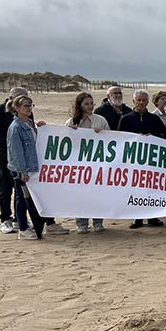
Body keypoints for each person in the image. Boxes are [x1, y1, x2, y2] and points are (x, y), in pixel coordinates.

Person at [6, 95, 70, 239]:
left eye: (31, 106)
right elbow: (16, 151)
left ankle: (48, 223)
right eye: (26, 106)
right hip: (23, 170)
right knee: (22, 199)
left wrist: (41, 128)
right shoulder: (15, 127)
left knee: (40, 196)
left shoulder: (29, 123)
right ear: (17, 108)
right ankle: (23, 228)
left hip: (35, 167)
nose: (29, 109)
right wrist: (22, 171)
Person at [118, 90, 166, 229]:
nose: (141, 103)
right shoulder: (126, 119)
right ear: (134, 101)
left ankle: (152, 216)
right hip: (133, 160)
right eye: (138, 100)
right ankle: (137, 217)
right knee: (135, 189)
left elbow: (164, 136)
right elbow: (119, 138)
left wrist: (151, 136)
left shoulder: (154, 119)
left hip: (151, 161)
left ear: (147, 102)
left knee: (151, 188)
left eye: (144, 100)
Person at [66, 92, 111, 233]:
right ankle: (82, 223)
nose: (90, 106)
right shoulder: (71, 122)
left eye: (92, 103)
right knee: (80, 195)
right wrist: (70, 132)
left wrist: (103, 134)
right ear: (80, 105)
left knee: (98, 193)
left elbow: (111, 139)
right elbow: (65, 142)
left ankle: (98, 222)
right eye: (86, 104)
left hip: (97, 164)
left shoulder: (100, 120)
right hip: (78, 165)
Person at [0, 86, 28, 234]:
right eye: (19, 97)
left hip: (21, 157)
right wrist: (11, 143)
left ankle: (19, 219)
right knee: (6, 187)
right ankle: (5, 219)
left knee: (20, 187)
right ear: (11, 98)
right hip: (3, 156)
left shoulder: (26, 110)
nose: (23, 100)